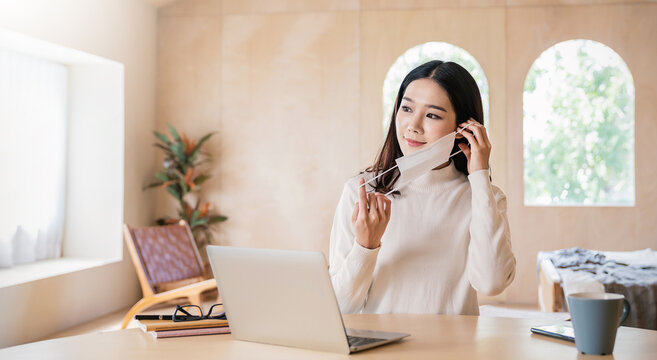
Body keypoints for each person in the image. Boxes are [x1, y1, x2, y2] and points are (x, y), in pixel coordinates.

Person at [328, 60, 516, 315]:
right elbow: (340, 306)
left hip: (454, 351)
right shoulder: (361, 192)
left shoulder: (486, 198)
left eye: (432, 115)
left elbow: (491, 283)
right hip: (381, 351)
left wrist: (480, 177)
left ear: (463, 129)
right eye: (406, 108)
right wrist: (366, 246)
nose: (413, 126)